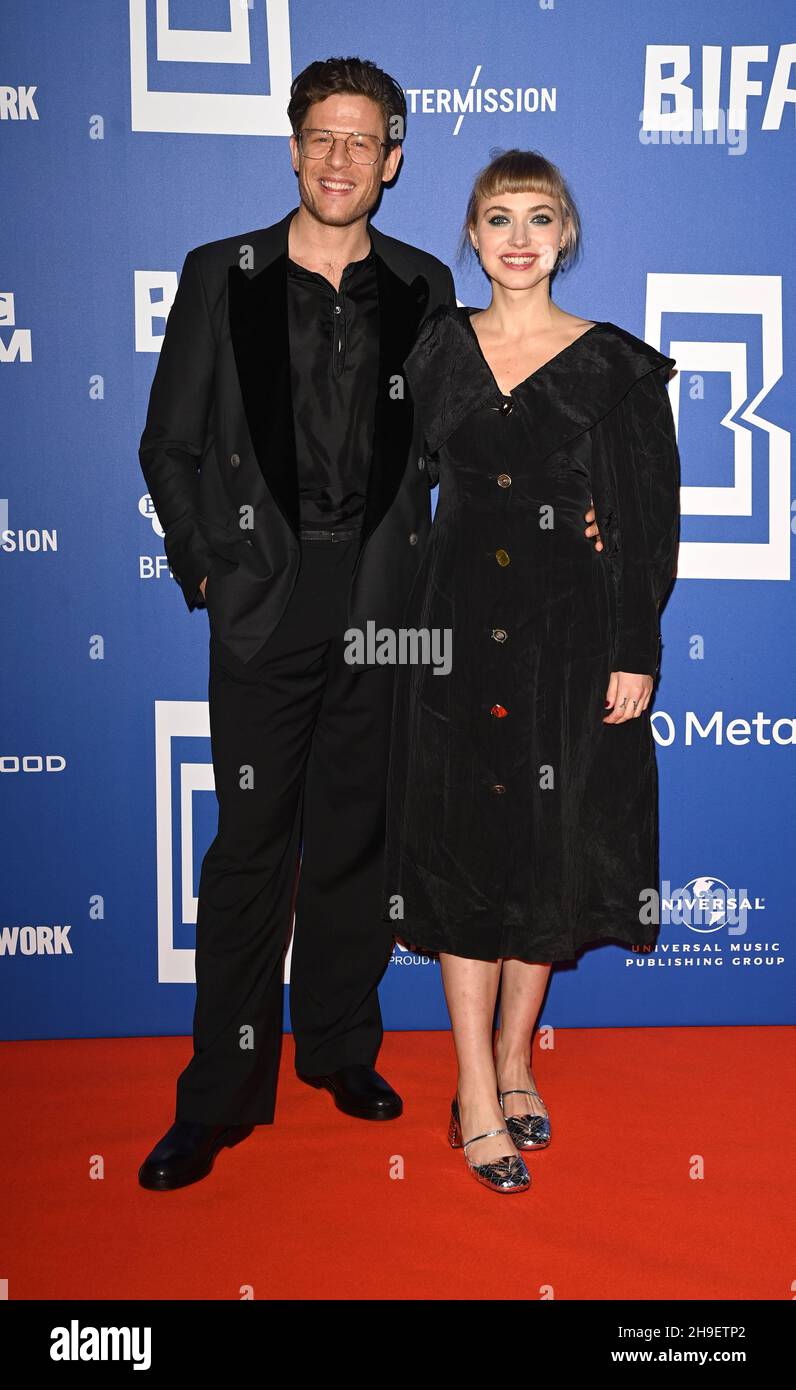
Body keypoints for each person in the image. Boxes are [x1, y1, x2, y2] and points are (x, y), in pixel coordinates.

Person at [137, 61, 603, 1192]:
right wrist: (212, 572)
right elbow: (170, 445)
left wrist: (581, 501)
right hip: (263, 605)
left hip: (394, 610)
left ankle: (340, 1050)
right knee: (251, 850)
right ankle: (218, 1094)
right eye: (321, 138)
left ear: (393, 158)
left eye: (364, 141)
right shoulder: (220, 274)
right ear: (294, 149)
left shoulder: (422, 284)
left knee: (354, 839)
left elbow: (465, 443)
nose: (341, 160)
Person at [383, 149, 681, 1194]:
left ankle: (515, 1060)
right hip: (452, 640)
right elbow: (383, 494)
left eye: (539, 218)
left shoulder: (614, 369)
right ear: (470, 235)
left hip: (567, 641)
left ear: (566, 235)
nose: (517, 237)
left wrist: (633, 648)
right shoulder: (432, 354)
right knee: (463, 853)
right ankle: (472, 1087)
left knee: (543, 853)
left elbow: (646, 525)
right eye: (497, 218)